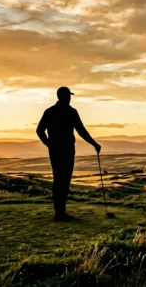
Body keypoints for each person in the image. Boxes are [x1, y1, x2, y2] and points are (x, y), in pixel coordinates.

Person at [36, 86, 101, 221]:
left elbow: (40, 131)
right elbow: (81, 131)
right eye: (69, 96)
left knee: (58, 180)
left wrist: (49, 144)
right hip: (67, 150)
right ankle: (60, 212)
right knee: (63, 181)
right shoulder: (71, 112)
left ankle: (59, 212)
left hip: (55, 150)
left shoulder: (50, 112)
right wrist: (94, 144)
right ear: (64, 97)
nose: (70, 99)